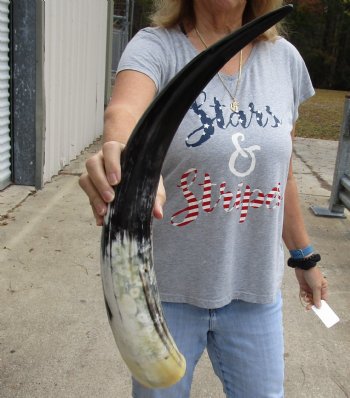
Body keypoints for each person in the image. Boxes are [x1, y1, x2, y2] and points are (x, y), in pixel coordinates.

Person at [79, 1, 329, 396]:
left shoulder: (285, 60)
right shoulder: (156, 47)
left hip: (254, 293)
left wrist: (304, 257)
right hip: (166, 296)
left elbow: (282, 173)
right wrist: (122, 156)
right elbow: (123, 114)